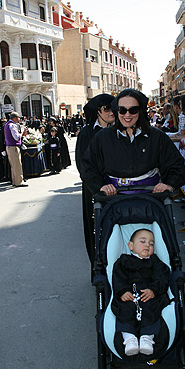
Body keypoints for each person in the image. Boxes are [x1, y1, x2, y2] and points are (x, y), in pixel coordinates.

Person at [80, 88, 185, 197]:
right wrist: (100, 186)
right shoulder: (102, 138)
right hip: (113, 202)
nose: (127, 115)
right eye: (122, 110)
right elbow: (88, 166)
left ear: (140, 111)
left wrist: (169, 185)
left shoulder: (157, 137)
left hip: (150, 201)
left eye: (133, 110)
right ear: (116, 111)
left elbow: (176, 165)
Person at [111, 229, 170, 356]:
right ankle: (129, 338)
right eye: (143, 241)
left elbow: (161, 276)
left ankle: (147, 338)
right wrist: (122, 292)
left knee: (152, 307)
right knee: (125, 308)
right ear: (131, 245)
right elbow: (118, 277)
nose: (147, 245)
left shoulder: (155, 261)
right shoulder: (124, 261)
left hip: (148, 292)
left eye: (151, 244)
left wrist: (154, 290)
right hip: (129, 293)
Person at [75, 93, 115, 267]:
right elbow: (82, 163)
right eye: (106, 109)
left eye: (113, 107)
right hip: (95, 189)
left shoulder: (120, 128)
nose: (111, 112)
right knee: (96, 229)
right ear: (98, 111)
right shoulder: (87, 133)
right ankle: (98, 268)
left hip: (118, 187)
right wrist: (98, 186)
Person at [4, 112, 28, 187]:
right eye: (18, 118)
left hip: (9, 146)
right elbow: (16, 137)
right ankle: (18, 182)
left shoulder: (7, 125)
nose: (18, 119)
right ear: (14, 118)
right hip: (13, 147)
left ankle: (15, 181)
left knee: (13, 165)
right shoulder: (12, 125)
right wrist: (22, 134)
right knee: (17, 165)